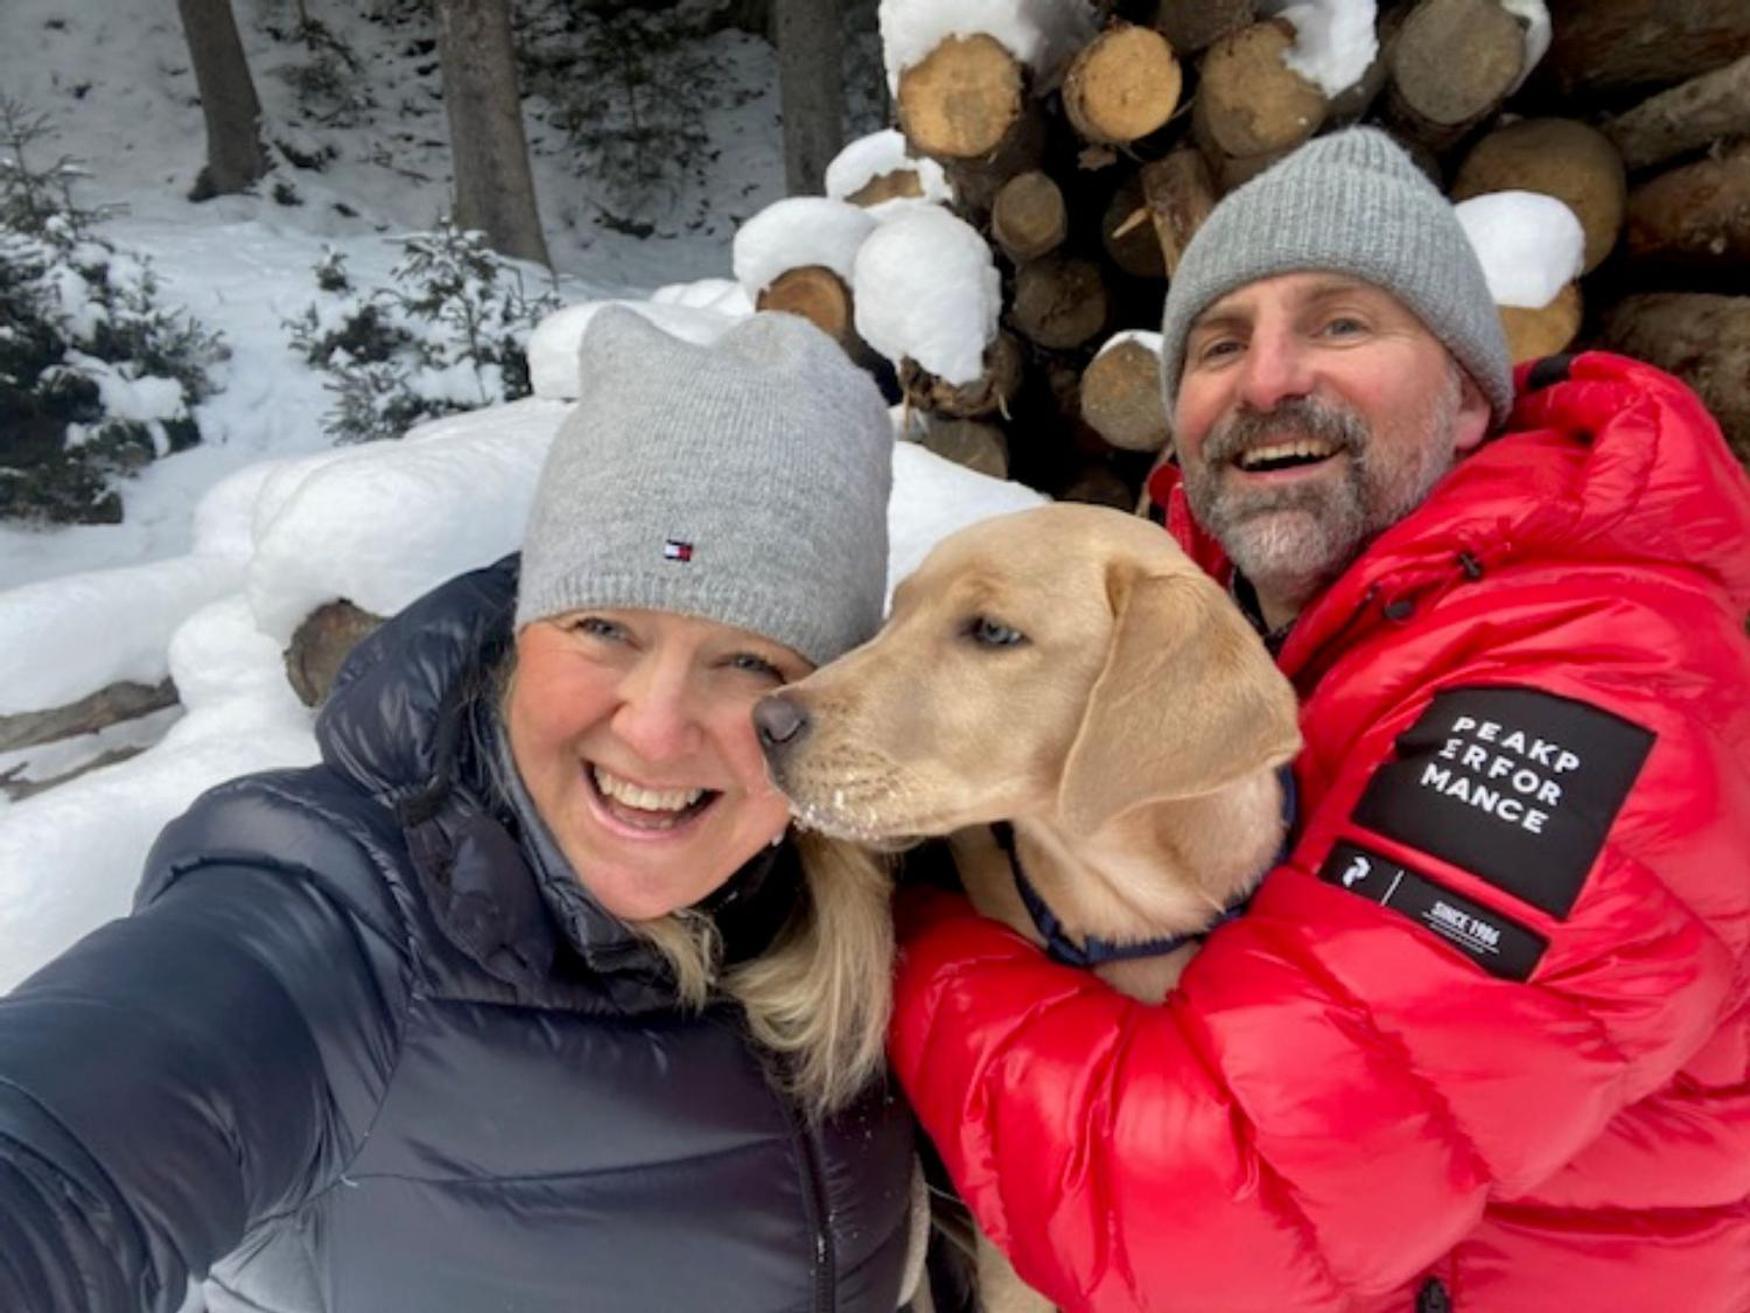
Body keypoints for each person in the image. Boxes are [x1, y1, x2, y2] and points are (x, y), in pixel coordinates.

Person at [886, 127, 1750, 1312]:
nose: (1269, 376)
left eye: (1342, 324)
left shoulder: (1605, 673)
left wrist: (898, 940)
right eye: (1221, 341)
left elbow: (1202, 1219)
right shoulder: (1223, 623)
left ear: (1464, 402)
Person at [0, 308, 926, 1313]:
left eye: (751, 659)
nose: (655, 729)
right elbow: (58, 1163)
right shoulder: (348, 916)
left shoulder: (859, 891)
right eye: (604, 625)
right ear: (524, 633)